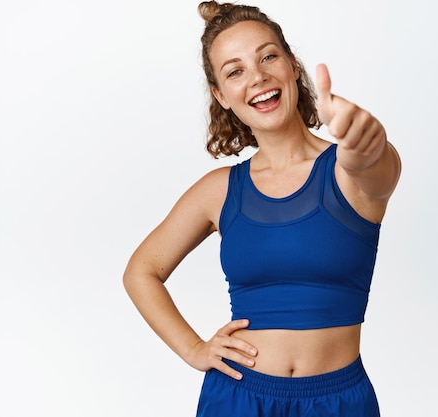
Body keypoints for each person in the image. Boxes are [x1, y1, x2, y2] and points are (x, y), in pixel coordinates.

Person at [123, 1, 401, 415]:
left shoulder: (347, 170)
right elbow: (141, 272)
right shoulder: (219, 190)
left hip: (337, 402)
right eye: (235, 71)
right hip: (236, 398)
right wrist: (194, 349)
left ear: (292, 65)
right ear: (221, 95)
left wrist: (367, 140)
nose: (258, 78)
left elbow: (377, 165)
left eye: (268, 56)